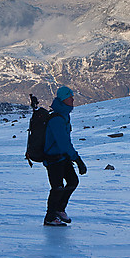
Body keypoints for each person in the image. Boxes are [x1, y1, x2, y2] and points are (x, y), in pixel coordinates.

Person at [43, 86, 87, 226]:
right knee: (57, 187)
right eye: (70, 96)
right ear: (63, 99)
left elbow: (65, 143)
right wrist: (77, 159)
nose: (73, 99)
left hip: (63, 157)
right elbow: (63, 143)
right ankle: (50, 217)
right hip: (53, 158)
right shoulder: (57, 119)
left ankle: (59, 210)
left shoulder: (64, 115)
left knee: (72, 181)